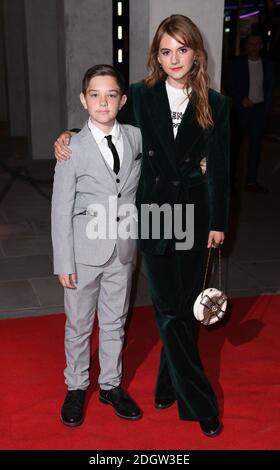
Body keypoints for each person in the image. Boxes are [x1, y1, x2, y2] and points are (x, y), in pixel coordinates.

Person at [54, 15, 230, 437]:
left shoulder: (215, 103)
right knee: (170, 309)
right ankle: (200, 401)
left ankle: (169, 381)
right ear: (156, 55)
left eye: (182, 50)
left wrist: (218, 221)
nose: (174, 59)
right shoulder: (139, 94)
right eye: (165, 51)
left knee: (184, 305)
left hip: (192, 216)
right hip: (149, 214)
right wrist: (69, 135)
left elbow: (220, 168)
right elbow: (104, 120)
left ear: (196, 53)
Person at [51, 64, 143, 427]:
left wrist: (201, 163)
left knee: (115, 321)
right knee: (78, 324)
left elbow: (165, 163)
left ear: (122, 100)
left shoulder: (136, 137)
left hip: (122, 250)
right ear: (83, 99)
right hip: (83, 254)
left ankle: (110, 385)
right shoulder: (72, 147)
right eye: (95, 94)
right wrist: (63, 262)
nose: (102, 102)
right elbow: (60, 208)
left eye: (110, 95)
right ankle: (76, 387)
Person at [229, 33, 273, 193]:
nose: (254, 47)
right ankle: (231, 184)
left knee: (255, 148)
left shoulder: (268, 65)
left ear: (261, 46)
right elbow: (230, 85)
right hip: (241, 111)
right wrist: (241, 99)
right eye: (251, 44)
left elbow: (269, 89)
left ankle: (251, 182)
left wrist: (266, 109)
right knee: (236, 148)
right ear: (246, 46)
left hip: (259, 111)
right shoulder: (237, 64)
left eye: (257, 44)